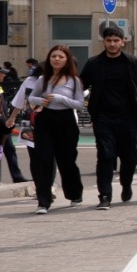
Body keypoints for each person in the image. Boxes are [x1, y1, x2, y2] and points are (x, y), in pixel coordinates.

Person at [80, 23, 137, 209]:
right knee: (105, 155)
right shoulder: (94, 63)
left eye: (116, 40)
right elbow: (80, 85)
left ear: (123, 42)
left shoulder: (134, 63)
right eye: (108, 40)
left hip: (128, 117)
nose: (112, 44)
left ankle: (126, 185)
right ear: (104, 42)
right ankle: (105, 196)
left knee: (129, 157)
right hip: (103, 117)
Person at [18, 44, 86, 214]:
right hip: (45, 120)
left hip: (66, 120)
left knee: (67, 160)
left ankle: (74, 194)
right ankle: (43, 201)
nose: (56, 59)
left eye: (61, 57)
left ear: (67, 60)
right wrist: (42, 101)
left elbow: (79, 104)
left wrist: (62, 98)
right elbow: (32, 97)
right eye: (53, 56)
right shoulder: (43, 79)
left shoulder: (74, 80)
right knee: (44, 160)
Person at [0, 64, 27, 183]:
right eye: (2, 73)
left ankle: (17, 177)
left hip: (2, 124)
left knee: (10, 150)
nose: (4, 75)